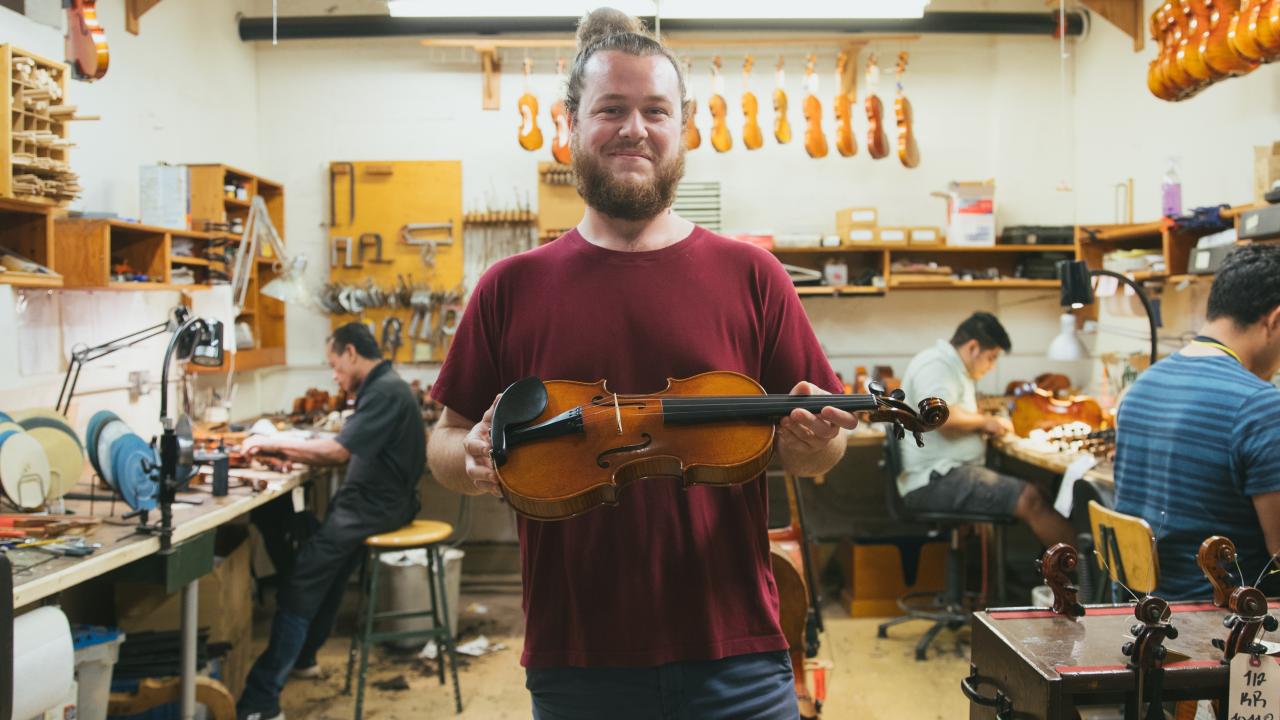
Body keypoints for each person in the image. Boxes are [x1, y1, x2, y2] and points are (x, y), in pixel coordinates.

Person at [426, 8, 859, 718]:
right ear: (571, 124)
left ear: (683, 128)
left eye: (656, 110)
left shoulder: (754, 276)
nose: (635, 128)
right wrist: (469, 456)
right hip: (576, 659)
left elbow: (823, 450)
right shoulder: (510, 287)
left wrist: (813, 443)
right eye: (611, 109)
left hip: (738, 653)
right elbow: (444, 441)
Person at [237, 323, 425, 720]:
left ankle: (260, 702)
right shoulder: (383, 387)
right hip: (372, 504)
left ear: (351, 353)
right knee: (324, 569)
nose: (334, 375)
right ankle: (304, 657)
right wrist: (293, 450)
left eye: (335, 365)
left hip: (372, 508)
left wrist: (272, 442)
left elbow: (339, 452)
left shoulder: (385, 391)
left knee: (302, 579)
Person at [1114, 244, 1280, 600]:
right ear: (1275, 321)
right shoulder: (1259, 405)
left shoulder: (1141, 386)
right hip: (1224, 619)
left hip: (1142, 614)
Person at [897, 312, 1075, 548]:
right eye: (991, 357)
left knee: (1041, 491)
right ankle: (1085, 571)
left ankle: (1056, 567)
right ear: (973, 348)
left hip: (949, 472)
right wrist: (985, 422)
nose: (992, 366)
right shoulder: (937, 365)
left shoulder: (953, 368)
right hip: (932, 480)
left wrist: (980, 420)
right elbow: (940, 416)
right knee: (1030, 499)